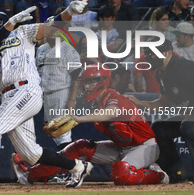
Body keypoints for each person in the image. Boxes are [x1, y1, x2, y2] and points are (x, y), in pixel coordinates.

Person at [0, 1, 93, 190]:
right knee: (31, 154)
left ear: (3, 20)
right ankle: (77, 167)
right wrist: (7, 25)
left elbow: (54, 24)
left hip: (26, 90)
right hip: (9, 96)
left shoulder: (23, 32)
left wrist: (69, 11)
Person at [12, 65, 169, 186]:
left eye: (89, 82)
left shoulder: (113, 96)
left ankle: (157, 174)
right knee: (77, 147)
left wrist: (79, 119)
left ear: (101, 82)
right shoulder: (96, 103)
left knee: (121, 174)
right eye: (84, 83)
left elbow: (110, 113)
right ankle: (30, 174)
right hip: (120, 148)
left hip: (144, 147)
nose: (85, 86)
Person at [126, 39, 194, 183]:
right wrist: (139, 103)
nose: (150, 57)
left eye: (154, 53)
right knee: (160, 127)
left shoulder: (184, 67)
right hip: (189, 117)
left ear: (168, 53)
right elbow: (164, 102)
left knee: (188, 126)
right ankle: (175, 172)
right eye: (148, 53)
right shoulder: (162, 74)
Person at [36, 22, 80, 149]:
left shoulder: (69, 50)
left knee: (63, 133)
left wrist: (71, 100)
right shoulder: (41, 49)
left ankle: (72, 165)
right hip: (45, 94)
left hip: (62, 93)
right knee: (54, 133)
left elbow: (76, 77)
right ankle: (70, 164)